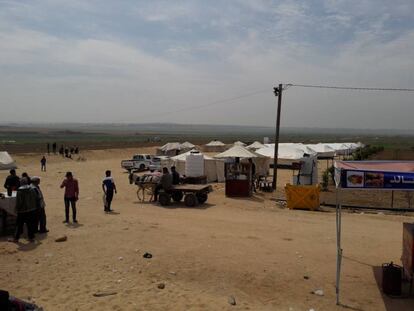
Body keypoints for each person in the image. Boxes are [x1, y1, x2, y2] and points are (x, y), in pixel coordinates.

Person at [12, 177, 38, 243]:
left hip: (22, 211)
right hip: (31, 209)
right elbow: (35, 198)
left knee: (19, 224)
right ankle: (31, 237)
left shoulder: (20, 191)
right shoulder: (32, 189)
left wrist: (17, 208)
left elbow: (19, 202)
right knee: (30, 224)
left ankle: (16, 238)